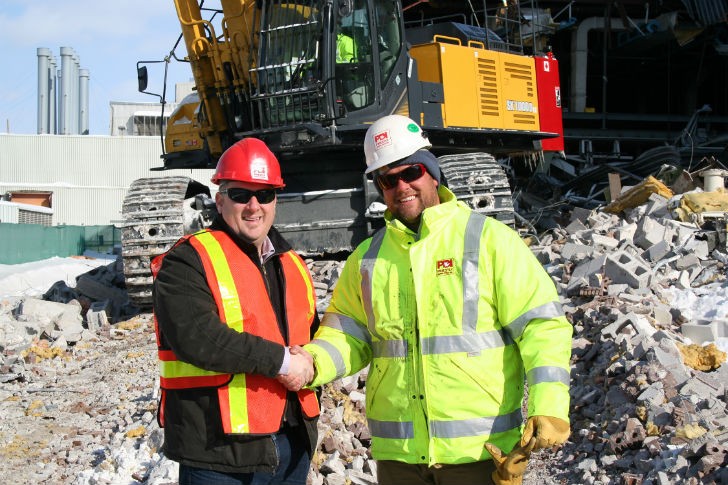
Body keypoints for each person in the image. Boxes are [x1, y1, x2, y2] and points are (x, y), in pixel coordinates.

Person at [289, 114, 572, 485]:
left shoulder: (488, 240)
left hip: (479, 454)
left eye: (411, 173)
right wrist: (312, 363)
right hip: (400, 458)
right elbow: (348, 335)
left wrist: (549, 405)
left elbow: (541, 326)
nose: (401, 186)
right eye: (388, 180)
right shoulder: (368, 258)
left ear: (432, 172)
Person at [151, 137, 320, 485]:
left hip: (291, 444)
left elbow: (310, 336)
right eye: (242, 195)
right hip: (218, 454)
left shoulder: (292, 264)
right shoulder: (188, 260)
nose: (254, 206)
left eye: (265, 194)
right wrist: (285, 363)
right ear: (220, 199)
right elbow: (199, 338)